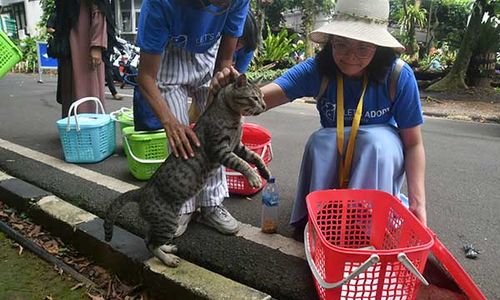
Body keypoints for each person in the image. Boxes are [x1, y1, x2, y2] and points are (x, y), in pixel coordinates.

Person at [212, 0, 427, 239]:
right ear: (331, 41)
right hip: (334, 147)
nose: (350, 57)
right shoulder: (318, 69)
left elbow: (413, 143)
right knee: (320, 141)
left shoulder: (397, 75)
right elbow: (262, 99)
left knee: (373, 143)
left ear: (378, 47)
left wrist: (419, 203)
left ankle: (366, 228)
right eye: (341, 45)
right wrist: (228, 93)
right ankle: (320, 218)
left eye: (363, 48)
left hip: (379, 155)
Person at [134, 0, 250, 237]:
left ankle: (211, 204)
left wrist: (221, 90)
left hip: (208, 57)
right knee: (182, 142)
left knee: (217, 134)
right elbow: (146, 76)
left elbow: (225, 61)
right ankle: (182, 207)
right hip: (168, 57)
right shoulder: (160, 4)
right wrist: (170, 122)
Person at [53, 0, 112, 117]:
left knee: (87, 85)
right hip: (68, 43)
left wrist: (96, 45)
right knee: (70, 86)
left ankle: (88, 126)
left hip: (84, 43)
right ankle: (72, 126)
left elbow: (99, 9)